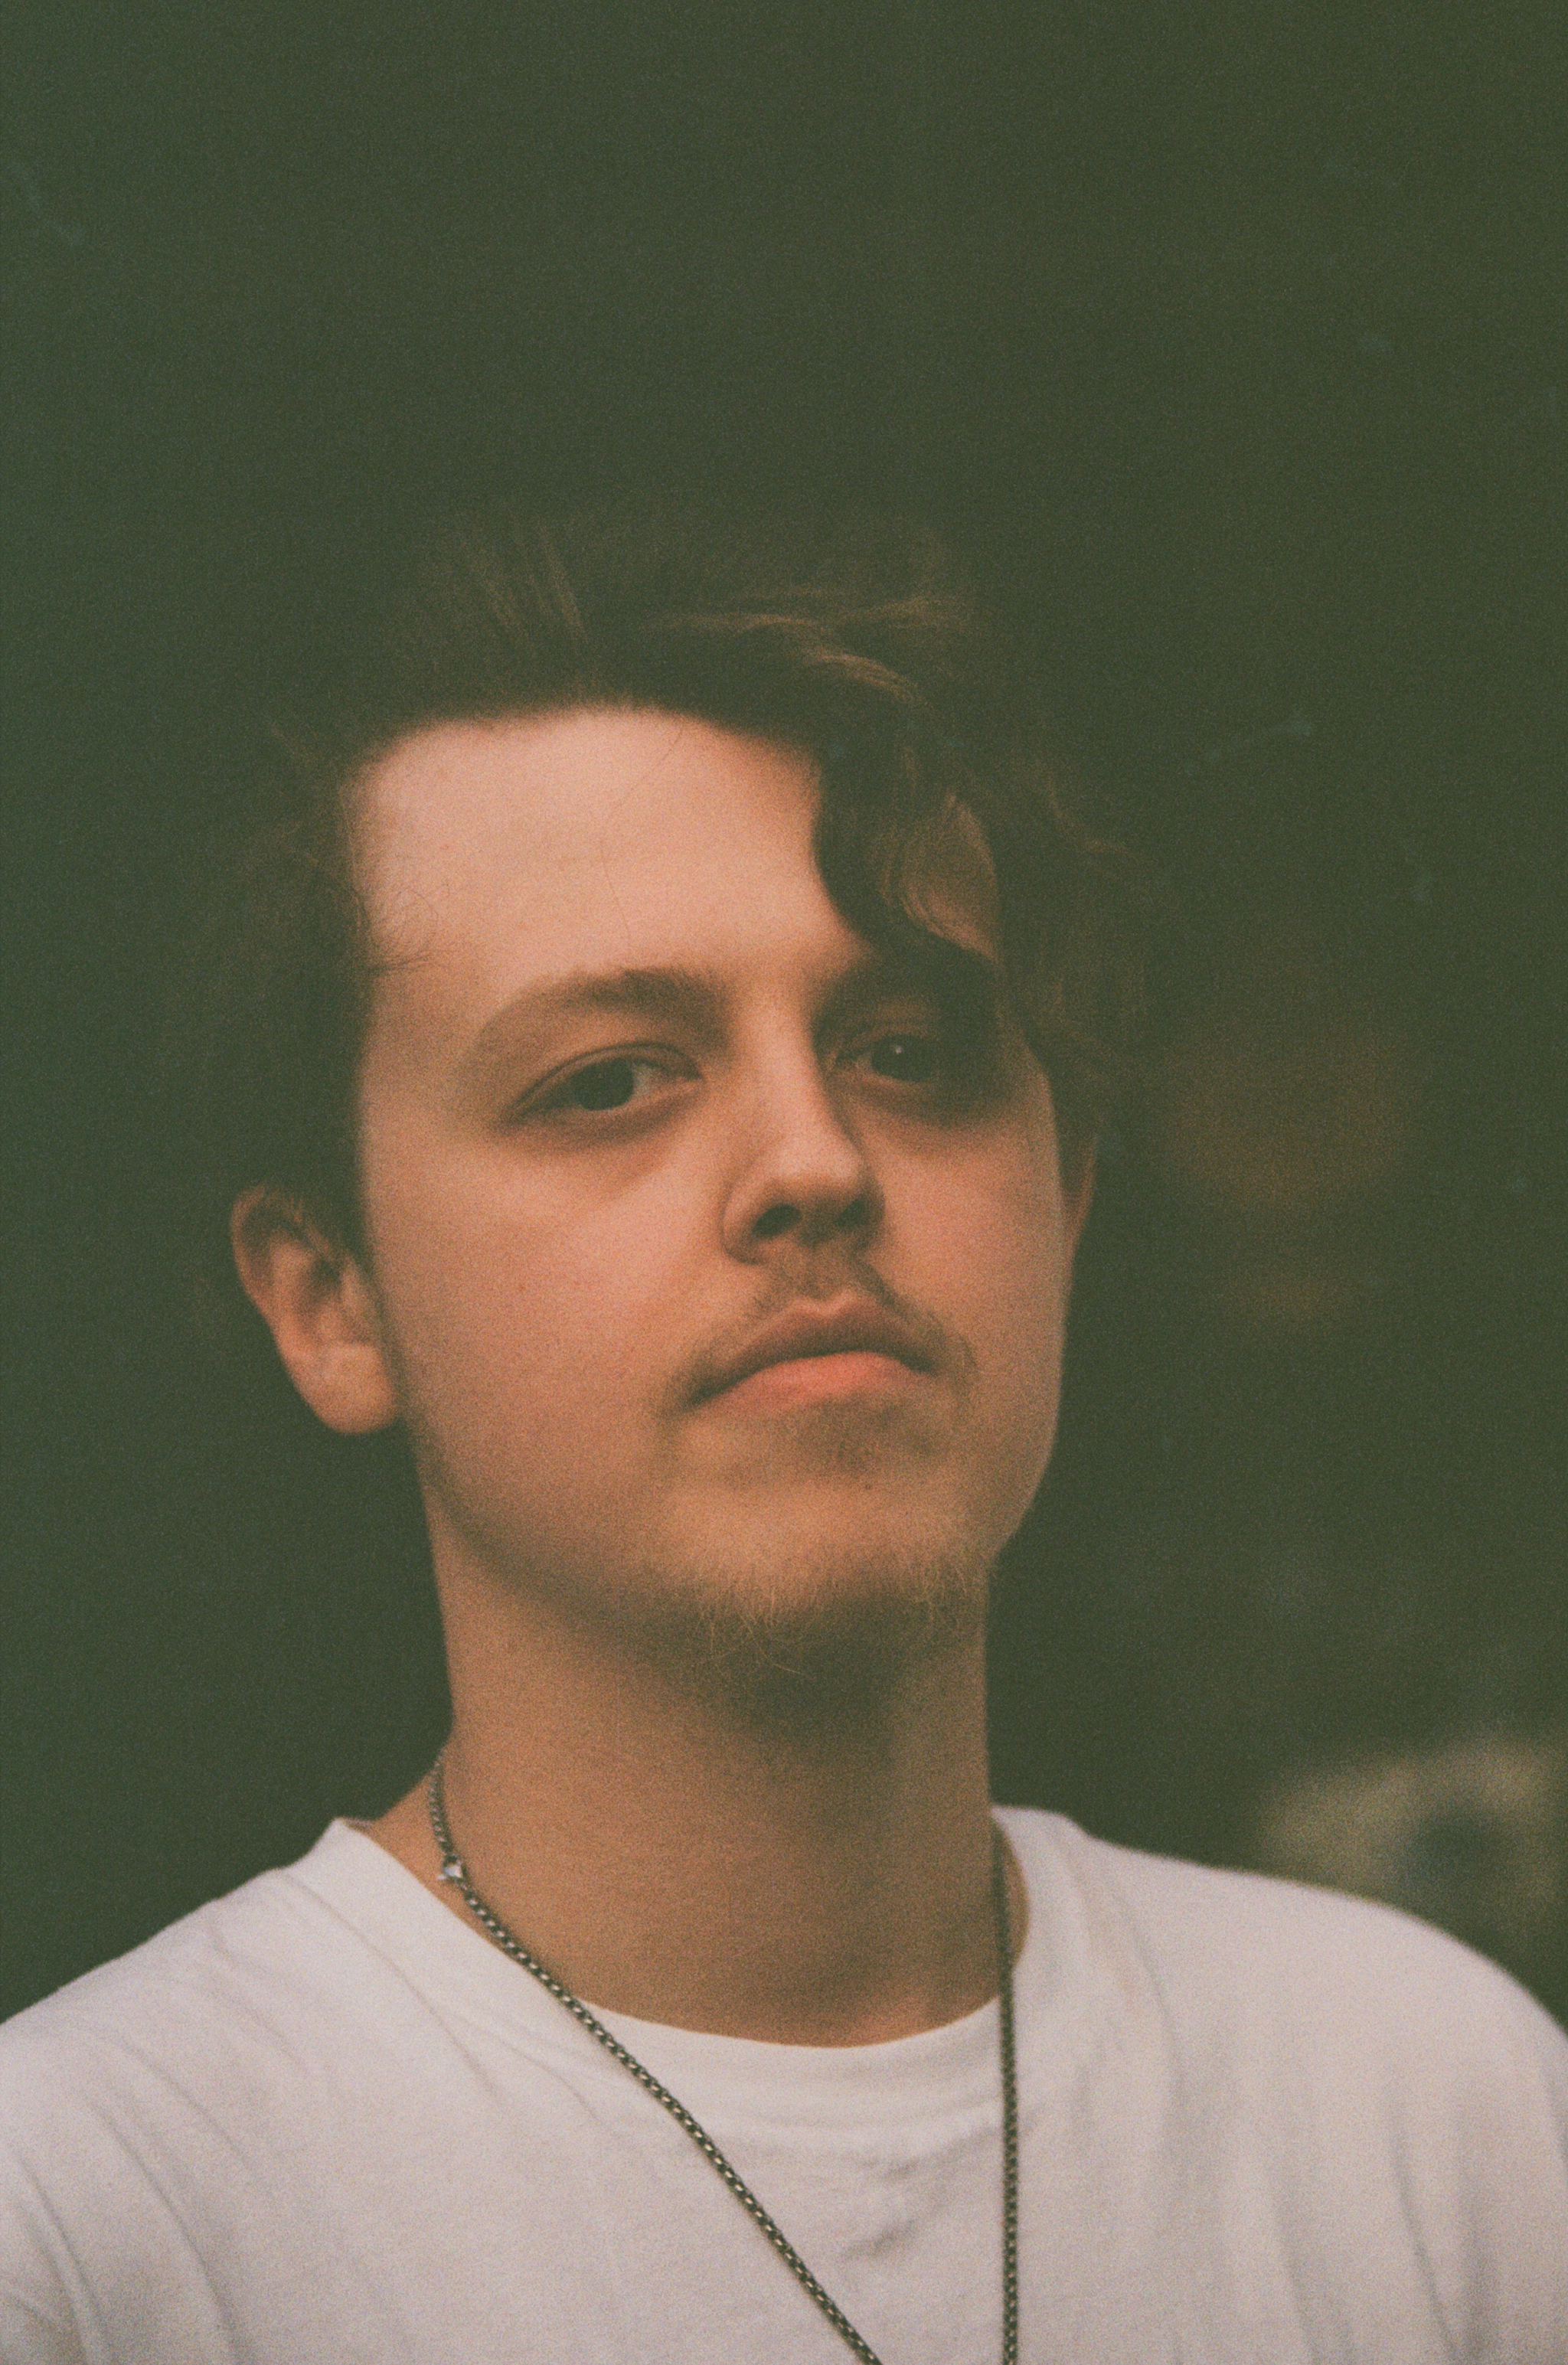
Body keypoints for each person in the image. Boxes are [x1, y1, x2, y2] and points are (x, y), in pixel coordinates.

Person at [2, 507, 1565, 2365]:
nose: (816, 1160)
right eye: (606, 1079)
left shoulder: (1439, 2109)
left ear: (1065, 1202)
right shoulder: (92, 2215)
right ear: (332, 1297)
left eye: (911, 1046)